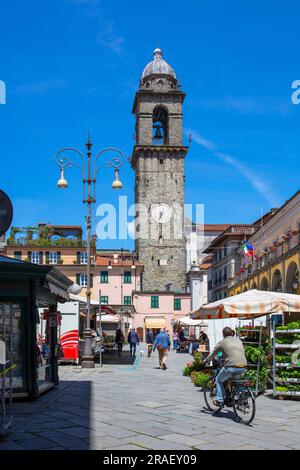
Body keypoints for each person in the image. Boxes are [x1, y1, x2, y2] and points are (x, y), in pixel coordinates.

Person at [204, 327, 247, 407]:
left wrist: (206, 360)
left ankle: (220, 400)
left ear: (223, 334)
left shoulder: (222, 342)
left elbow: (213, 353)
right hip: (243, 365)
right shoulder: (238, 340)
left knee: (219, 380)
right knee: (237, 382)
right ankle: (240, 397)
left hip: (231, 366)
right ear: (232, 333)